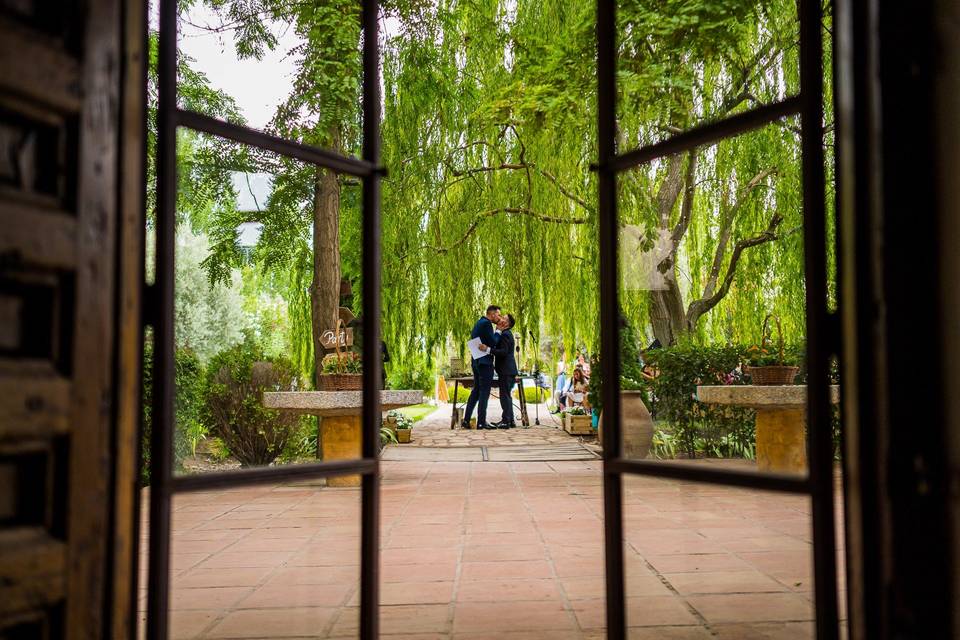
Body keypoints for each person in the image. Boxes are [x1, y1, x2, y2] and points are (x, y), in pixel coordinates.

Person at [463, 305, 501, 429]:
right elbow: (493, 342)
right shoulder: (486, 324)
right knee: (484, 392)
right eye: (498, 314)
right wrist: (498, 331)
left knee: (476, 391)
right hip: (485, 363)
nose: (499, 317)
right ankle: (481, 422)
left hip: (476, 361)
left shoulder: (478, 323)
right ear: (492, 314)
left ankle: (466, 420)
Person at [491, 313, 518, 428]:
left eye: (504, 318)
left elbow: (503, 352)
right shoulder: (506, 334)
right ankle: (510, 421)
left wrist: (489, 350)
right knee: (507, 395)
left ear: (506, 323)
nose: (501, 319)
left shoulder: (505, 335)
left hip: (506, 370)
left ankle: (506, 421)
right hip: (508, 370)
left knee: (504, 396)